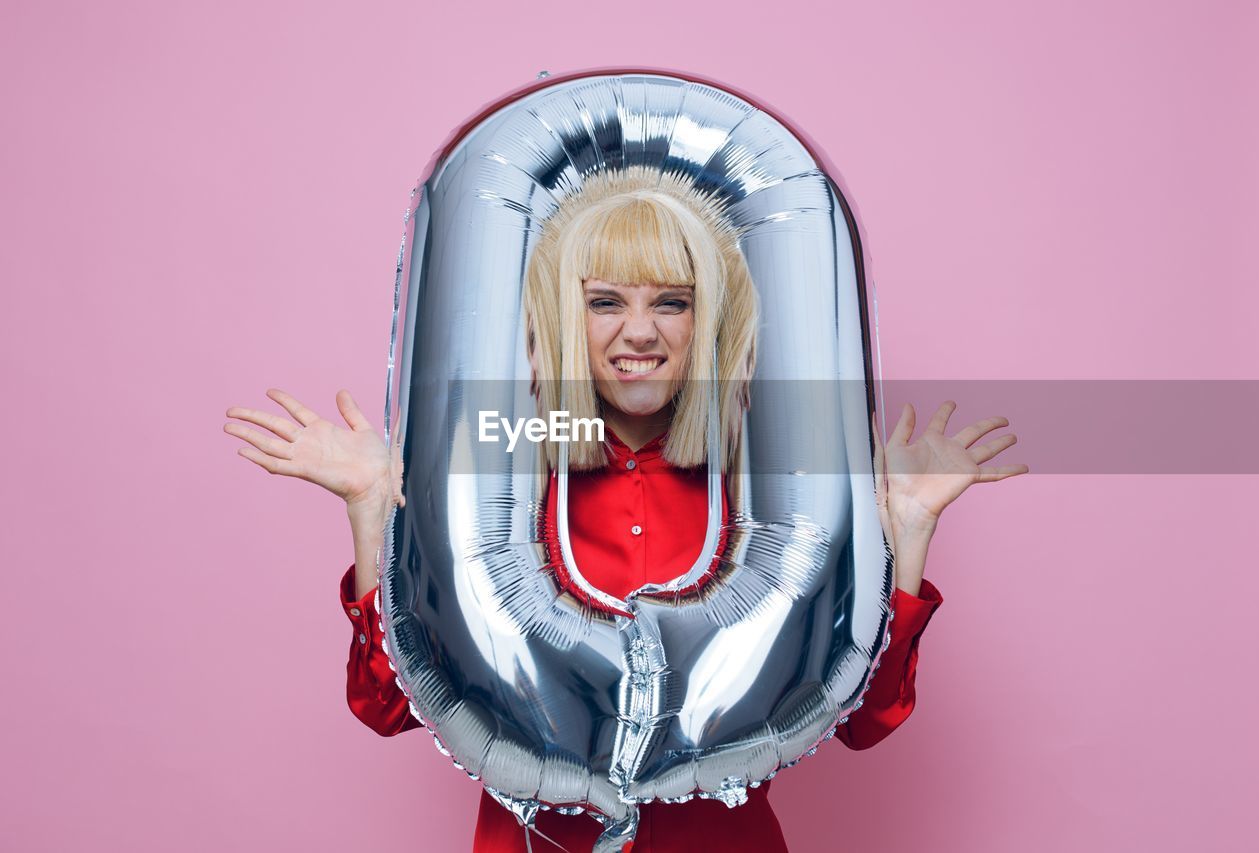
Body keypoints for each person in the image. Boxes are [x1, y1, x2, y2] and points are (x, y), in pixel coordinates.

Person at [224, 170, 1028, 852]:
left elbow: (862, 719)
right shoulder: (500, 479)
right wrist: (374, 510)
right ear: (565, 320)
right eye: (605, 301)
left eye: (671, 303)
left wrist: (907, 530)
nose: (637, 332)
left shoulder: (766, 495)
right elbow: (390, 705)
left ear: (706, 319)